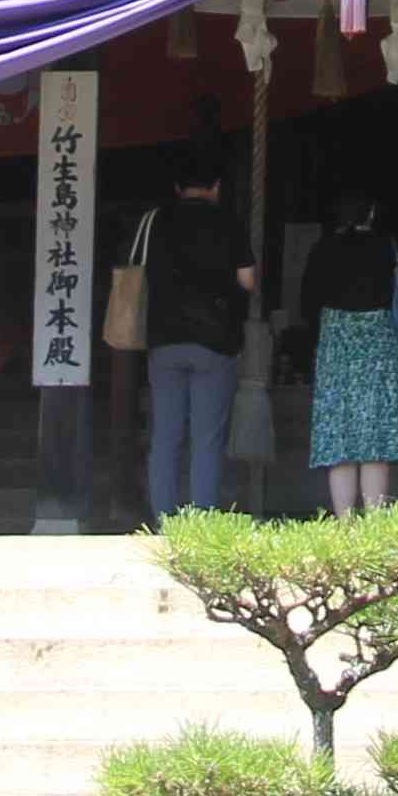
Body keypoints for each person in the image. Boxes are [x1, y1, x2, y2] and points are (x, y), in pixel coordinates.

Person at [139, 149, 257, 522]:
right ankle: (202, 522)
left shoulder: (155, 221)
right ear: (217, 187)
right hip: (214, 339)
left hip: (164, 339)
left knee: (166, 435)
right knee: (207, 438)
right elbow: (247, 280)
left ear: (177, 188)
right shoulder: (228, 222)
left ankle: (164, 521)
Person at [291, 191, 398, 514]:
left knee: (339, 437)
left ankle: (344, 523)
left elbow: (307, 301)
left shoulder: (323, 248)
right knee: (375, 436)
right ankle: (374, 523)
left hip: (336, 341)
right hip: (380, 343)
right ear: (371, 213)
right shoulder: (387, 246)